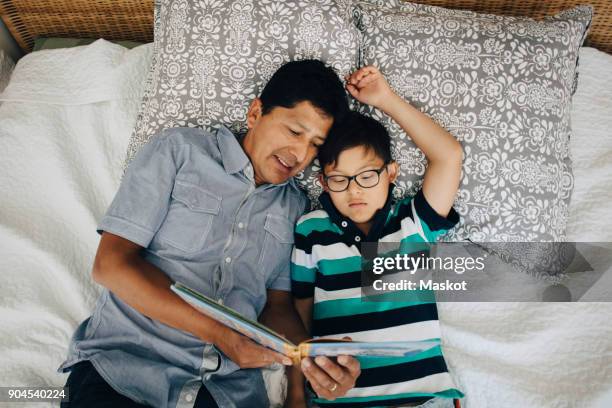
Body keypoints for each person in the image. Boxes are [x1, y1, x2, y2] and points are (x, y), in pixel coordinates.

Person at [58, 60, 361, 408]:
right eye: (294, 132)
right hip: (125, 370)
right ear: (255, 113)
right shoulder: (179, 151)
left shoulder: (294, 206)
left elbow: (276, 306)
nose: (300, 156)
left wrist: (312, 360)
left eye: (315, 146)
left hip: (223, 391)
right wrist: (220, 335)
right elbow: (110, 266)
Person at [290, 66, 465, 407]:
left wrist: (385, 99)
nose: (354, 191)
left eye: (367, 176)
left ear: (391, 173)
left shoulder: (412, 222)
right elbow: (301, 312)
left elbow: (449, 156)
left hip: (422, 397)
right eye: (339, 179)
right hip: (342, 400)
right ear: (324, 183)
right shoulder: (311, 230)